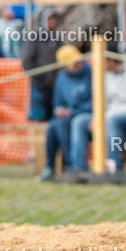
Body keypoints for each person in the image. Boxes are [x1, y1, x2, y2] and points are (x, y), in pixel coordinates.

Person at [41, 45, 92, 179]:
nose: (77, 65)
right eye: (73, 64)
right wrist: (59, 110)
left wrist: (72, 111)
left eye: (78, 61)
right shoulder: (62, 77)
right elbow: (57, 100)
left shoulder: (91, 73)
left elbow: (96, 102)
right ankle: (49, 167)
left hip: (85, 114)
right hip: (67, 116)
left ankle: (73, 165)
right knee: (52, 126)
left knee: (63, 125)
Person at [21, 8, 63, 121]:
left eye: (54, 19)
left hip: (56, 87)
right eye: (49, 19)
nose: (52, 22)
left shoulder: (58, 40)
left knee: (54, 119)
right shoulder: (35, 39)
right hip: (39, 87)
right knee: (38, 117)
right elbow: (27, 62)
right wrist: (39, 77)